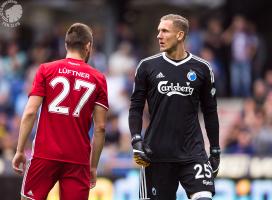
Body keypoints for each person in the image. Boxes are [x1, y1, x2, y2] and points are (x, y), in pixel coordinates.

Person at [12, 23, 108, 200]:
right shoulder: (98, 78)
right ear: (88, 46)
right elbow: (100, 127)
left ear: (66, 45)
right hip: (78, 159)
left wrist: (19, 150)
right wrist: (93, 167)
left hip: (45, 153)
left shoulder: (46, 70)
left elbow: (30, 112)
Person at [129, 14, 220, 200]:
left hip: (193, 153)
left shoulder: (202, 68)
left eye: (164, 31)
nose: (159, 36)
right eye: (158, 31)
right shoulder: (146, 67)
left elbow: (210, 112)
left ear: (180, 35)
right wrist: (136, 139)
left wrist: (215, 149)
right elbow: (136, 107)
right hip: (156, 154)